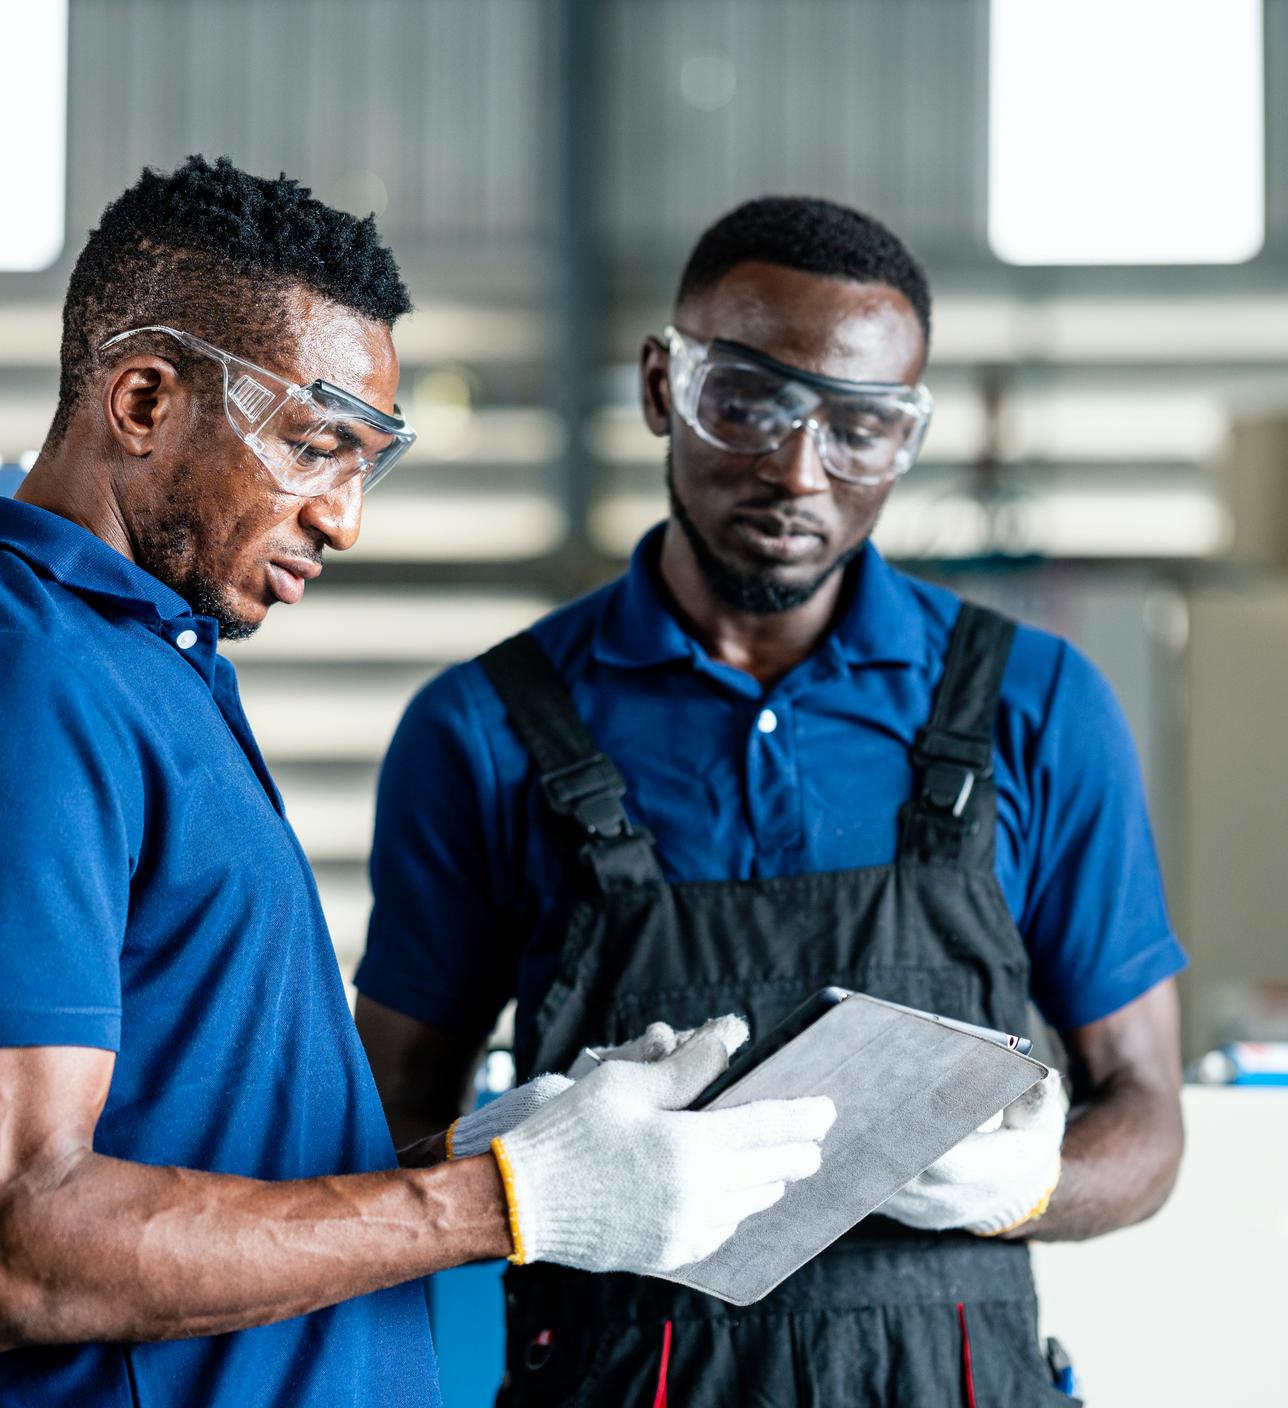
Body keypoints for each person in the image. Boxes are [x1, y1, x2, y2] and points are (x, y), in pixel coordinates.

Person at [0, 160, 834, 1408]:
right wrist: (504, 1201)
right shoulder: (36, 675)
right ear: (142, 398)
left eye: (366, 463)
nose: (343, 517)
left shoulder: (157, 663)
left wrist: (509, 1148)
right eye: (315, 444)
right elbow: (26, 1238)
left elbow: (203, 1142)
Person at [356, 196, 1189, 1405]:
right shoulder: (481, 731)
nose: (800, 470)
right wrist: (524, 1165)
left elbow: (1149, 1119)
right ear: (660, 387)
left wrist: (1030, 1185)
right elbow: (381, 1144)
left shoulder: (1039, 707)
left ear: (908, 436)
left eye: (863, 427)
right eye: (746, 403)